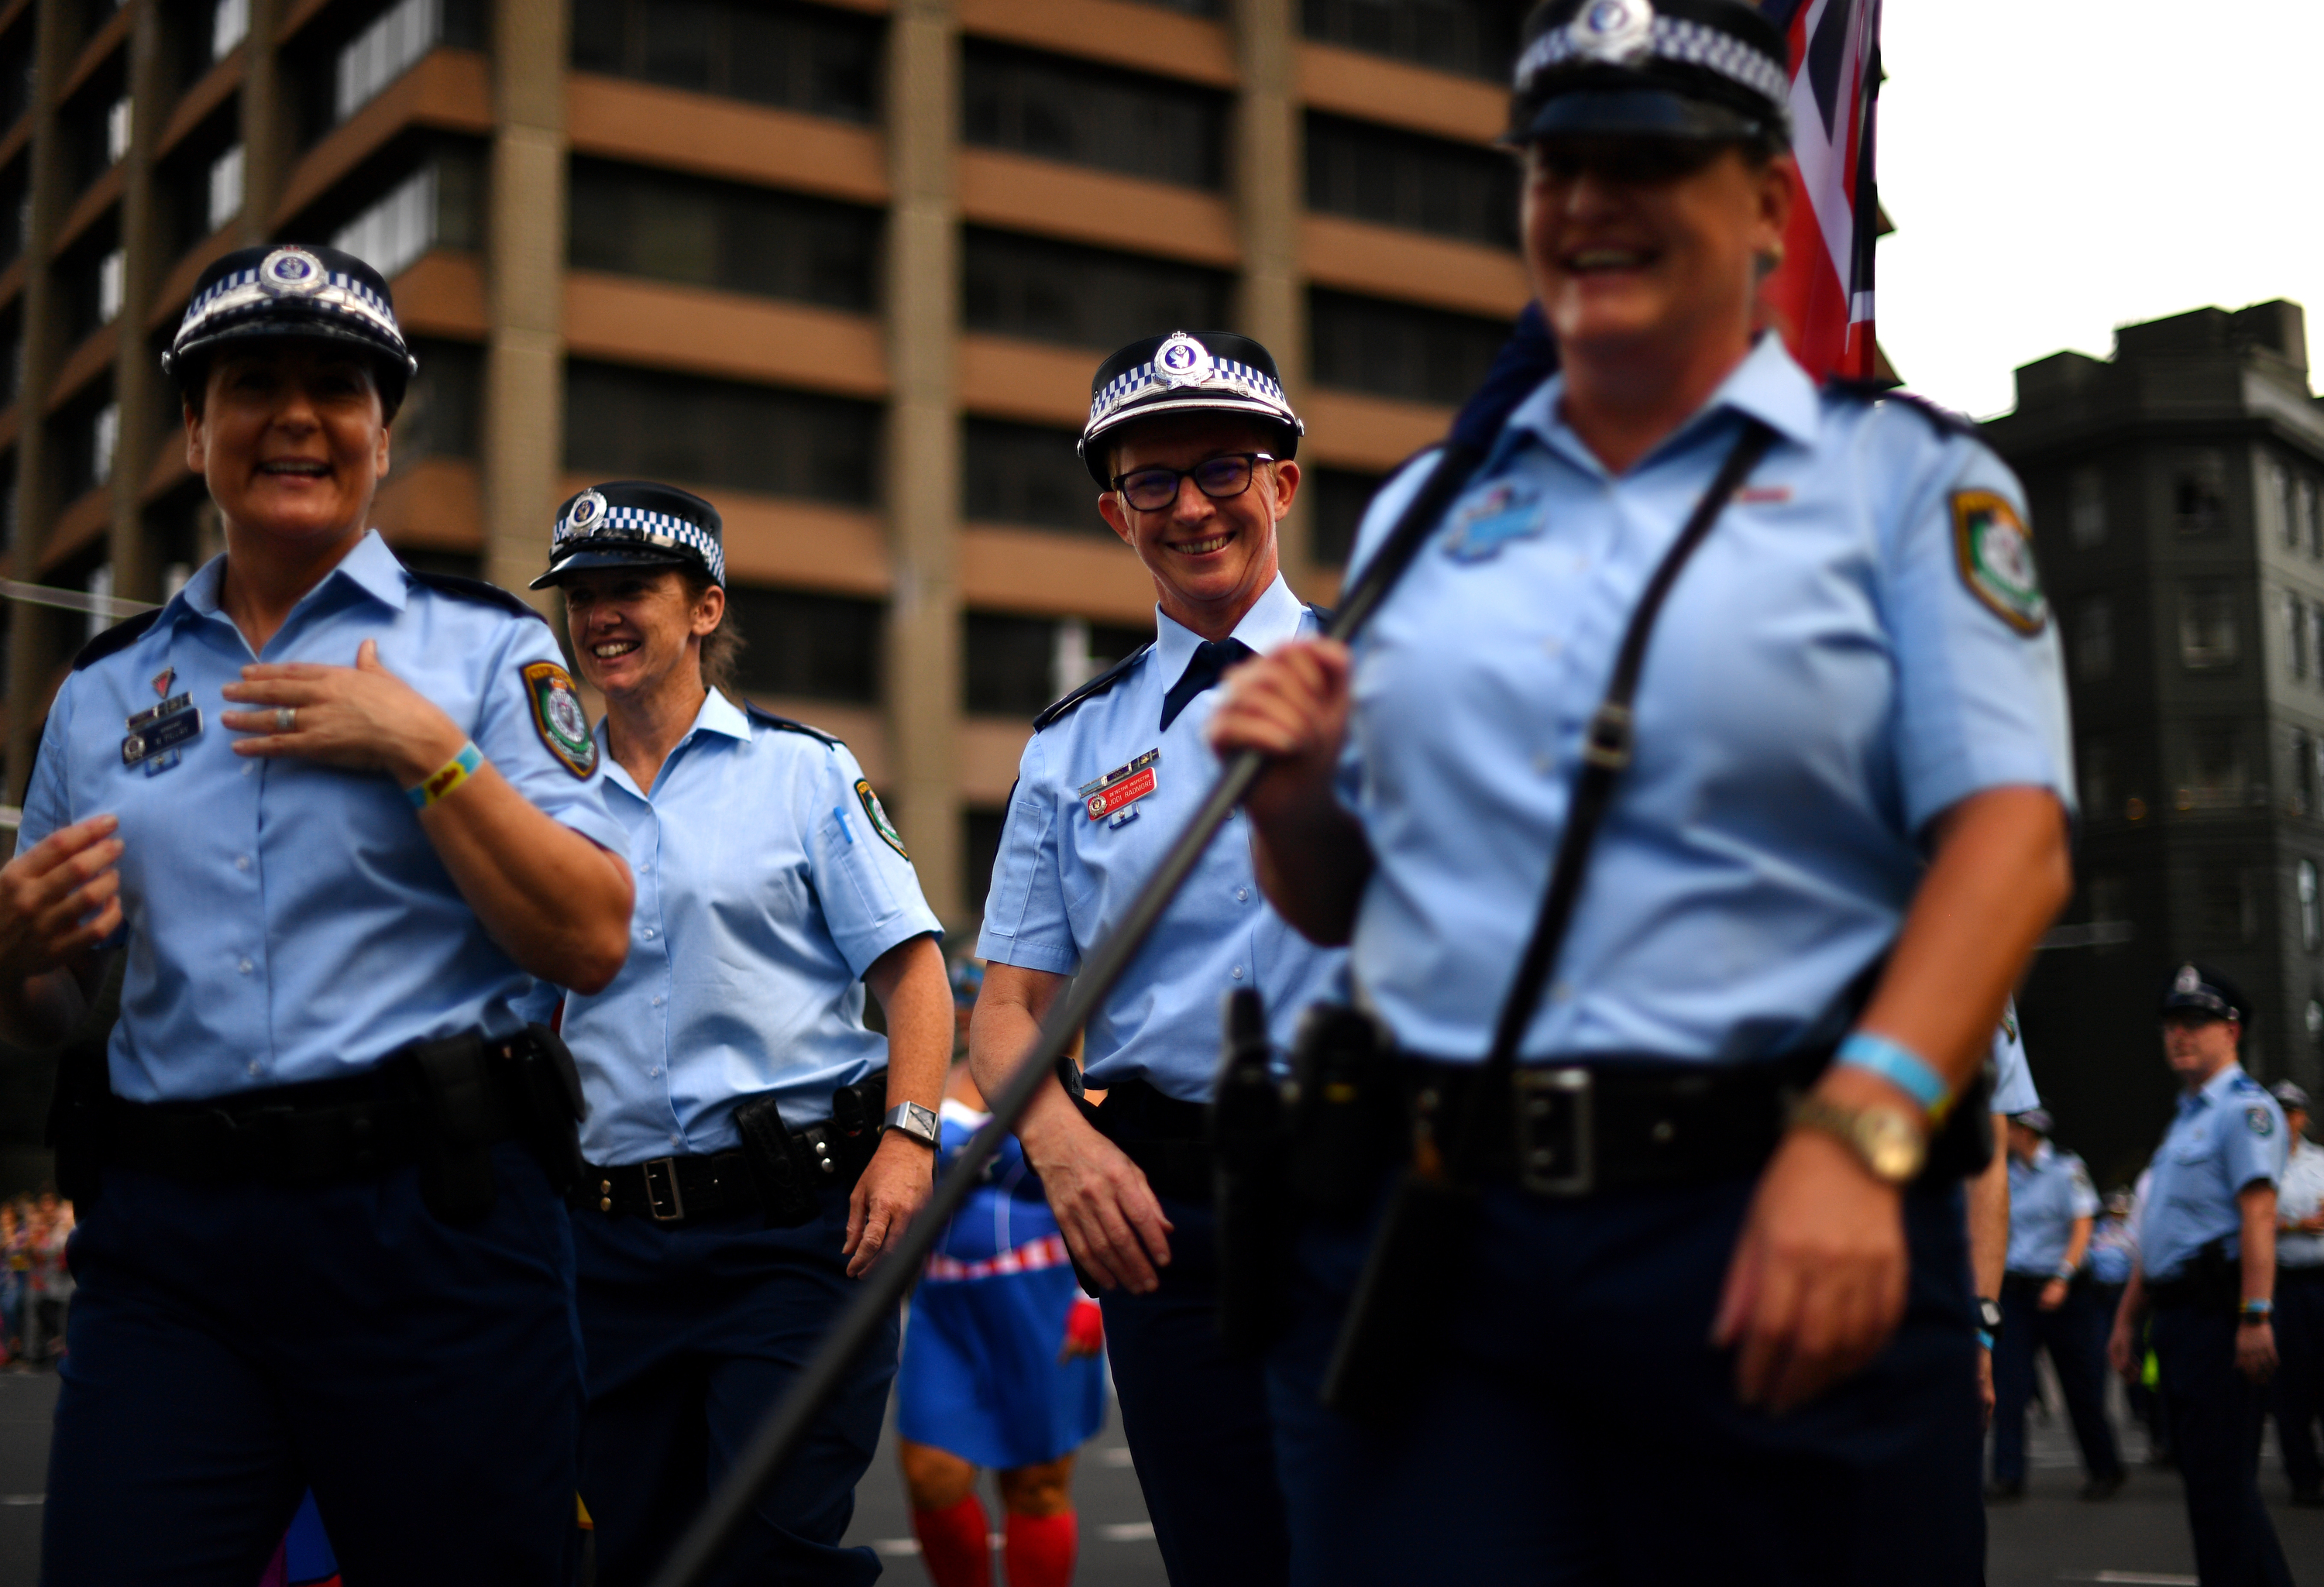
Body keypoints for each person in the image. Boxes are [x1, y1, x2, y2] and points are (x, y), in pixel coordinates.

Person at [1204, 1, 2076, 1578]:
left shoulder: (1911, 482)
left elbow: (2011, 839)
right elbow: (1338, 900)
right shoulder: (1428, 504)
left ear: (1762, 200)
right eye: (1557, 163)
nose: (1588, 199)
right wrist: (1300, 794)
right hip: (1439, 1228)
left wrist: (1864, 1131)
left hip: (1774, 1209)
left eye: (1646, 157)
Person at [5, 242, 635, 1584]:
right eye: (252, 383)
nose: (296, 413)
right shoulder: (101, 693)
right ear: (193, 430)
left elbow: (589, 932)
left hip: (435, 1228)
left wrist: (429, 753)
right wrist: (10, 959)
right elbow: (60, 994)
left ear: (382, 435)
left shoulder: (488, 653)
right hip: (171, 1246)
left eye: (336, 385)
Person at [969, 328, 1346, 1587]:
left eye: (1224, 465)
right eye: (1152, 480)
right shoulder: (1070, 750)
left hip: (1381, 1186)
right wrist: (1065, 1146)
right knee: (1226, 1560)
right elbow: (1010, 1005)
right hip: (1165, 1217)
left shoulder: (1394, 682)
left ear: (1283, 481)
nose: (1192, 504)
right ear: (1114, 513)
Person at [534, 479, 951, 1585]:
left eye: (631, 589)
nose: (601, 616)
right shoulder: (541, 802)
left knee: (768, 1553)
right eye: (581, 596)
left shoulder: (803, 773)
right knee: (630, 1554)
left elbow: (916, 974)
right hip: (608, 1245)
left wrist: (910, 1139)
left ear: (705, 608)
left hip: (792, 1236)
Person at [2106, 966, 2293, 1586]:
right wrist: (2129, 1317)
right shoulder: (2185, 1120)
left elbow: (2258, 1212)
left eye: (2195, 1023)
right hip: (2179, 1317)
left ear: (2231, 1029)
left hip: (2218, 1315)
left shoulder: (2244, 1111)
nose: (2179, 1034)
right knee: (2215, 1489)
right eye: (2171, 1025)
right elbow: (2157, 1232)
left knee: (2221, 1490)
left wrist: (2255, 1315)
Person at [896, 1045, 1109, 1587]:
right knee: (930, 1475)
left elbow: (1109, 1178)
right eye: (965, 980)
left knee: (1035, 1482)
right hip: (943, 1302)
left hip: (1042, 1302)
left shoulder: (1087, 1071)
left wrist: (1095, 1299)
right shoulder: (931, 1070)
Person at [1989, 1108, 2123, 1501]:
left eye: (2009, 1127)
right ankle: (2007, 1475)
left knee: (2080, 1385)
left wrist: (2062, 1277)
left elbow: (2082, 1224)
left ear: (2026, 1131)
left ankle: (2104, 1468)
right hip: (2015, 1292)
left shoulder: (2066, 1168)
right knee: (2009, 1387)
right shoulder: (2003, 1171)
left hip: (2063, 1290)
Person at [2270, 1078, 2323, 1505]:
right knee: (2290, 1386)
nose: (2287, 1119)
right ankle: (2303, 1477)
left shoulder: (2321, 1161)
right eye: (2279, 1111)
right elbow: (2250, 1221)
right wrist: (2294, 1224)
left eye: (2293, 1111)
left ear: (2303, 1116)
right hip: (2282, 1284)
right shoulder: (2257, 1162)